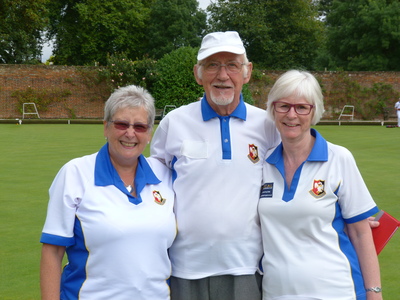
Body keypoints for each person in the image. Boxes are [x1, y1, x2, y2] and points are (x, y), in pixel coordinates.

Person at [150, 31, 281, 300]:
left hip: (247, 266)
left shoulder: (267, 126)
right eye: (212, 65)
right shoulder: (174, 123)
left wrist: (337, 216)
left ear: (247, 72)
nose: (223, 75)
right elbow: (151, 188)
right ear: (198, 73)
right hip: (184, 268)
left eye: (232, 65)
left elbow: (293, 180)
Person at [40, 85, 176, 300]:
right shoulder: (75, 173)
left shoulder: (165, 175)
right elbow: (52, 251)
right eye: (121, 124)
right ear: (105, 127)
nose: (130, 133)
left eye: (140, 127)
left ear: (149, 133)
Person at [259, 70, 382, 300]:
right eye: (283, 105)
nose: (291, 114)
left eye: (302, 107)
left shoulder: (339, 158)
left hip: (335, 291)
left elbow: (360, 234)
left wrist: (374, 293)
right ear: (272, 109)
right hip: (276, 293)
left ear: (314, 111)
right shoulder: (262, 163)